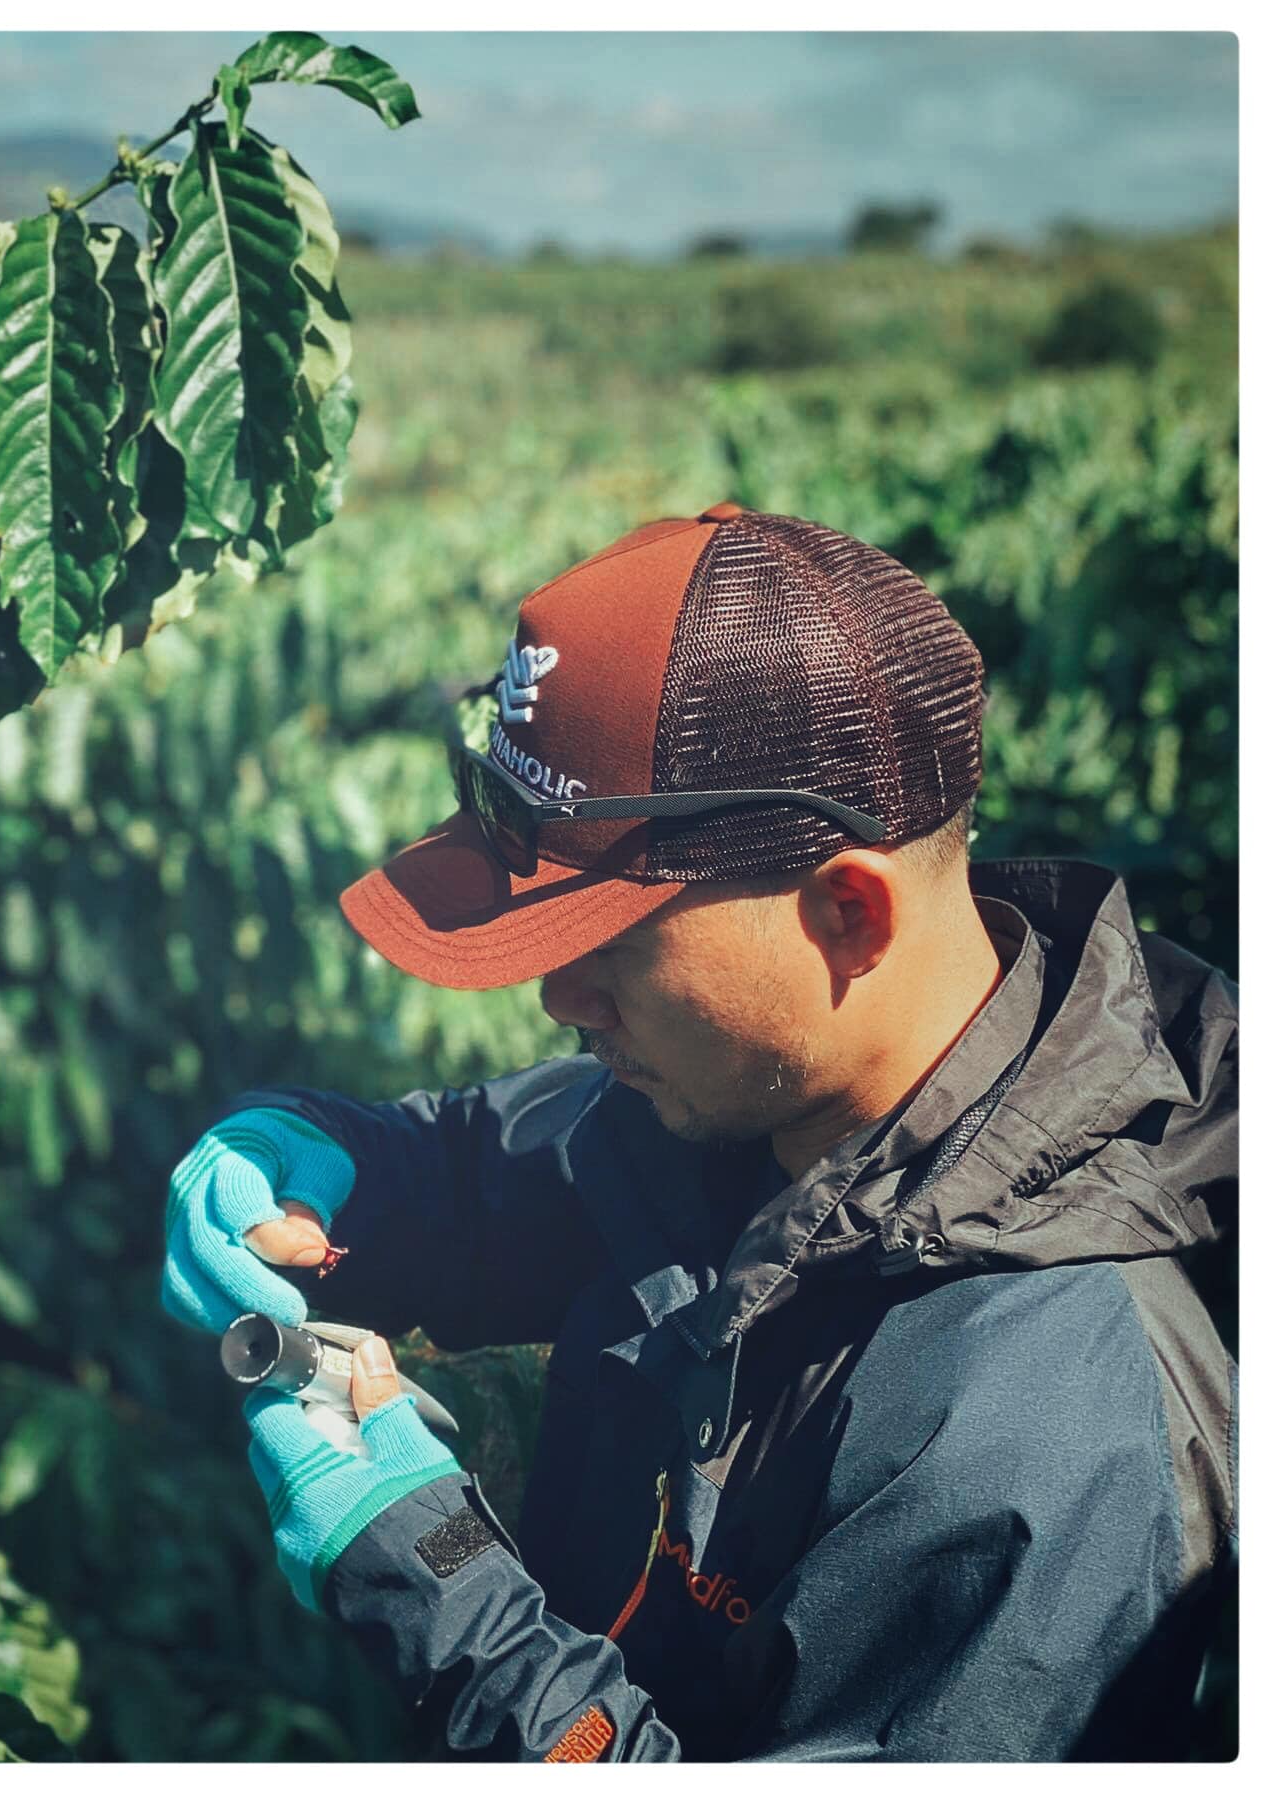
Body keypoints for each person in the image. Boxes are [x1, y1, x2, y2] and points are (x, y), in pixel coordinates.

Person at [160, 503, 1237, 1761]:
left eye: (608, 945)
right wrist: (305, 1162)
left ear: (845, 912)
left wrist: (445, 1590)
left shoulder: (1030, 1445)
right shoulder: (735, 1096)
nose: (558, 1002)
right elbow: (485, 1165)